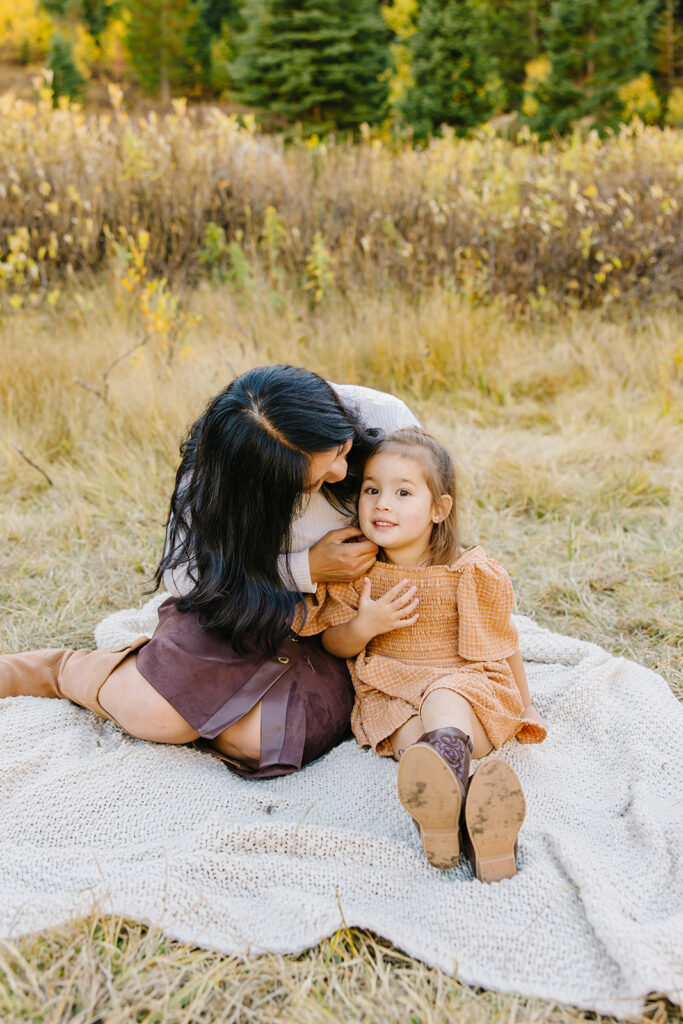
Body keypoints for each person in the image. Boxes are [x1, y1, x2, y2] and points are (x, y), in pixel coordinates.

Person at [0, 365, 419, 777]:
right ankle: (61, 671)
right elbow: (187, 577)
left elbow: (431, 518)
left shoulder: (384, 417)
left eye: (342, 450)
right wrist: (303, 567)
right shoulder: (215, 474)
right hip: (248, 605)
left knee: (264, 742)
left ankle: (197, 702)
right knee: (156, 717)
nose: (341, 473)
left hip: (347, 624)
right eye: (310, 484)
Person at [293, 426, 547, 881]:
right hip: (392, 696)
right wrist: (363, 627)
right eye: (372, 490)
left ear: (438, 509)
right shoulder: (356, 573)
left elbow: (503, 642)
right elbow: (331, 641)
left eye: (403, 492)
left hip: (468, 697)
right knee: (417, 751)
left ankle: (447, 805)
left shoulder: (466, 571)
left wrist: (525, 706)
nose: (382, 504)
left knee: (441, 699)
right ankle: (467, 829)